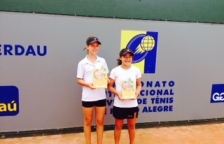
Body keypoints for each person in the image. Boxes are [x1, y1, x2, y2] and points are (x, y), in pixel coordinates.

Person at [77, 36, 109, 144]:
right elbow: (79, 80)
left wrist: (108, 81)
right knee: (87, 122)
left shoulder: (102, 61)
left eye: (97, 45)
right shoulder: (82, 63)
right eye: (92, 45)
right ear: (87, 47)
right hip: (88, 97)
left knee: (100, 122)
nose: (95, 48)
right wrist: (88, 84)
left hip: (101, 96)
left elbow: (106, 77)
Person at [108, 48, 142, 144]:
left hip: (132, 104)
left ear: (132, 58)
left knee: (131, 126)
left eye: (129, 57)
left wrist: (137, 92)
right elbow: (110, 86)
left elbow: (139, 84)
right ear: (120, 58)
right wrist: (117, 93)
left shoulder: (136, 70)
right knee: (118, 126)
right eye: (125, 57)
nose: (127, 59)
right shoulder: (115, 71)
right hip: (119, 104)